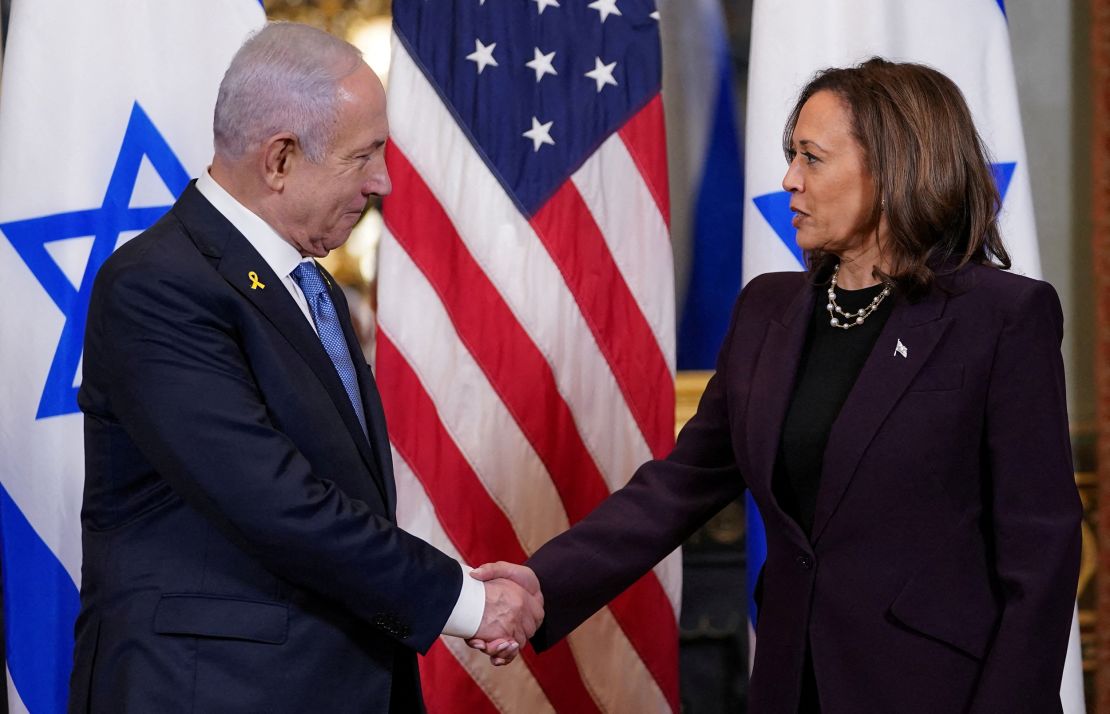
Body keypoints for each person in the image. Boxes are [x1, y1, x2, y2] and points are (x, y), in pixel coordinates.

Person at [471, 57, 1082, 712]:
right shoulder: (769, 311)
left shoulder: (999, 318)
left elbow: (1040, 554)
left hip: (937, 692)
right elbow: (678, 486)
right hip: (791, 684)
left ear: (893, 167)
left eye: (812, 158)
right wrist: (543, 584)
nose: (789, 180)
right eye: (791, 155)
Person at [69, 22, 541, 714]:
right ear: (280, 159)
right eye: (364, 156)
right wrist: (467, 603)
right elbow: (277, 502)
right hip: (211, 692)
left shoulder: (309, 286)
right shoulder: (159, 286)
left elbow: (340, 492)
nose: (383, 181)